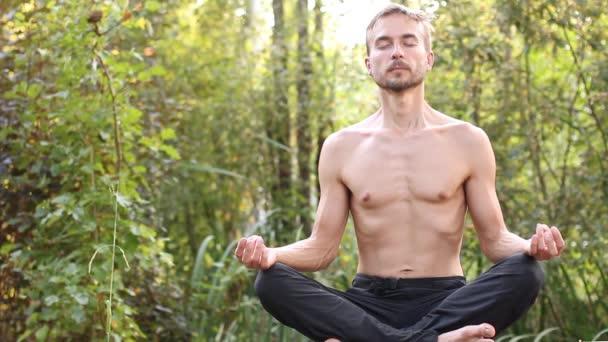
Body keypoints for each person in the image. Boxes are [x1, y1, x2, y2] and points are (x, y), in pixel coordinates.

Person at [234, 4, 564, 342]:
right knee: (271, 281)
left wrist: (530, 246)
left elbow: (495, 241)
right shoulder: (341, 146)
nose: (396, 52)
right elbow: (322, 249)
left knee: (526, 271)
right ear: (368, 63)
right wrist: (272, 254)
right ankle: (430, 340)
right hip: (369, 303)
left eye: (408, 42)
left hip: (446, 301)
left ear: (429, 57)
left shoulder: (468, 140)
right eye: (383, 44)